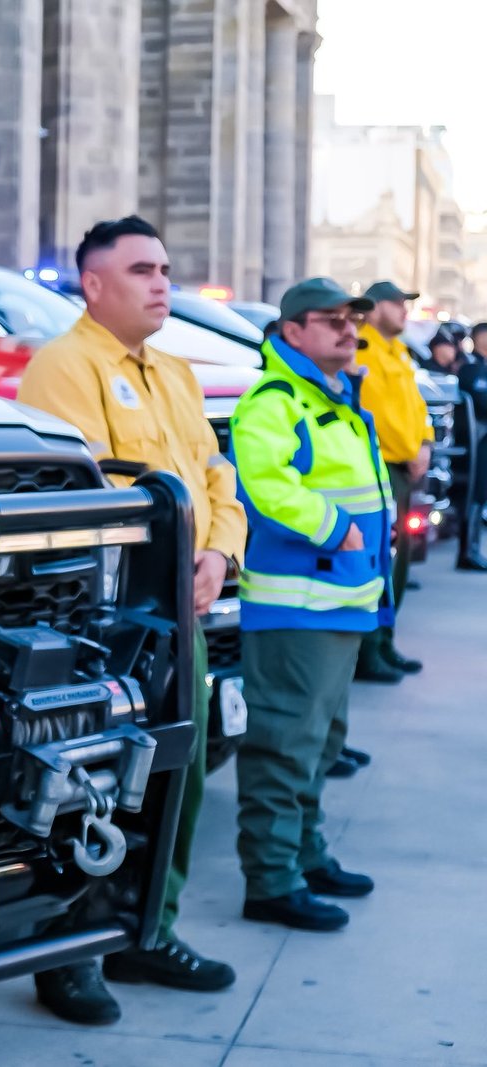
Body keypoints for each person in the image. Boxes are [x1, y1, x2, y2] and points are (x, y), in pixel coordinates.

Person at [15, 216, 244, 1024]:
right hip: (106, 627)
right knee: (93, 787)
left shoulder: (175, 373)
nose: (162, 283)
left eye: (166, 269)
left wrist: (218, 555)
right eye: (143, 269)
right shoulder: (64, 369)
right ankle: (72, 951)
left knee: (176, 779)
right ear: (94, 284)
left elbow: (216, 478)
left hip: (183, 616)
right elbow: (75, 509)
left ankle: (150, 927)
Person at [229, 278, 387, 931]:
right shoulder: (275, 399)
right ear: (292, 331)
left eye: (353, 321)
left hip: (341, 601)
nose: (349, 331)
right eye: (332, 321)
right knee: (284, 744)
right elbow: (264, 483)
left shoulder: (333, 396)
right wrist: (332, 527)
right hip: (297, 608)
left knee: (321, 741)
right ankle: (270, 880)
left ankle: (306, 854)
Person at [352, 281, 431, 680]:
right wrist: (410, 449)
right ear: (375, 306)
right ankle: (369, 652)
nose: (404, 310)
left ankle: (385, 643)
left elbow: (416, 406)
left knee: (398, 564)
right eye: (397, 303)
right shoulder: (362, 348)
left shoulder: (397, 351)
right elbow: (376, 414)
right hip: (382, 466)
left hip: (402, 467)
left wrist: (425, 443)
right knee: (380, 562)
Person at [424, 325, 487, 570]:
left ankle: (471, 549)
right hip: (474, 444)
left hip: (480, 443)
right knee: (473, 496)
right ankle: (467, 551)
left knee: (479, 497)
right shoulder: (472, 369)